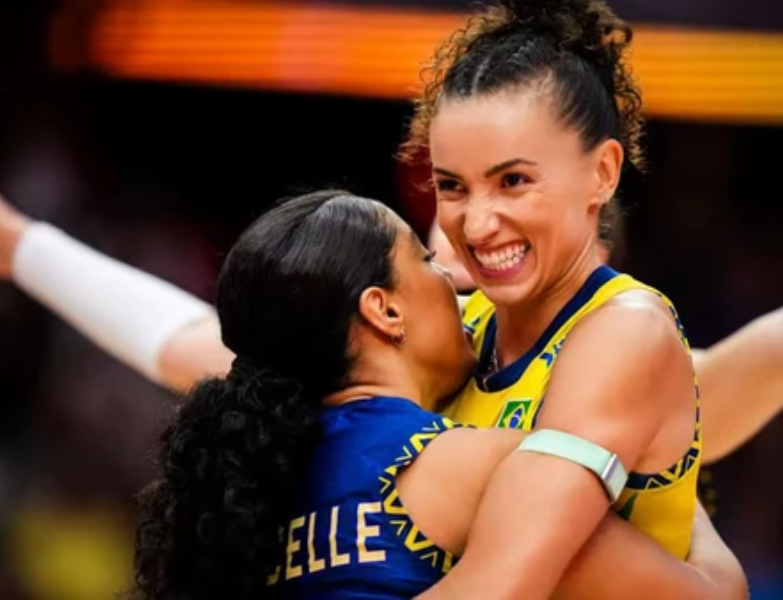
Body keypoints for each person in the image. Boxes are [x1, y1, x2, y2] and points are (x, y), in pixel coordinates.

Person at [132, 190, 744, 600]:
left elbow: (169, 336)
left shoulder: (246, 484)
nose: (460, 292)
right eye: (428, 262)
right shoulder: (482, 466)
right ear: (385, 310)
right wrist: (663, 465)